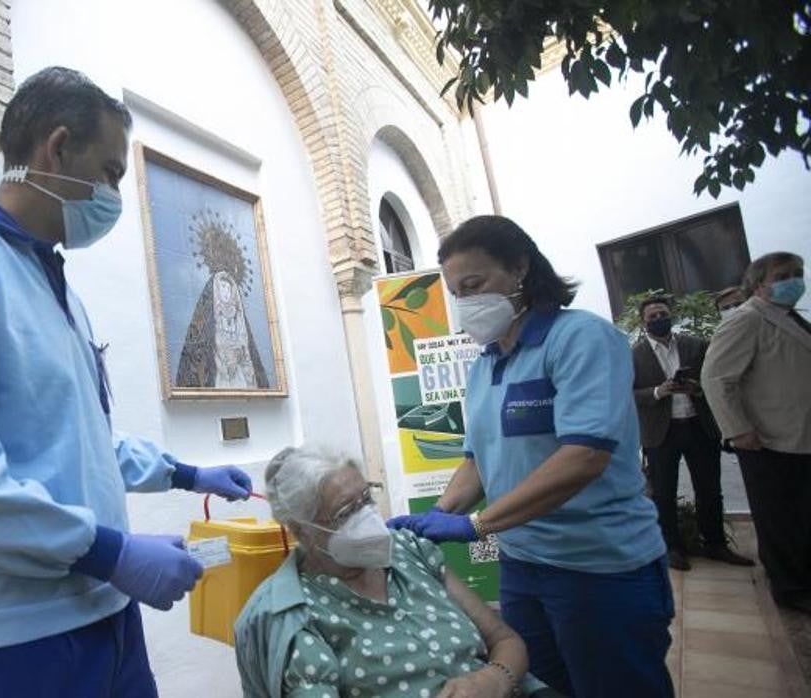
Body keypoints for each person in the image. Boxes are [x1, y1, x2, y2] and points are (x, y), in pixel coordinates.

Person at [0, 66, 254, 697]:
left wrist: (186, 475)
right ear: (56, 148)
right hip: (18, 635)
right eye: (109, 173)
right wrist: (108, 550)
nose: (114, 196)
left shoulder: (59, 291)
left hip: (106, 609)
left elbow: (78, 437)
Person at [388, 216, 674, 698]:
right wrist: (440, 513)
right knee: (541, 686)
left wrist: (476, 525)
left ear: (520, 267)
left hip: (599, 568)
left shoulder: (581, 339)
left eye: (474, 285)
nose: (466, 303)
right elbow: (478, 460)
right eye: (457, 294)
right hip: (522, 566)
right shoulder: (485, 367)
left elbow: (583, 456)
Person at [234, 447, 559, 698]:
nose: (367, 517)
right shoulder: (299, 614)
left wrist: (492, 678)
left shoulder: (409, 552)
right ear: (301, 530)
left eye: (367, 498)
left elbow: (505, 640)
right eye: (347, 511)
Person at [702, 252, 811, 613]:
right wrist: (739, 430)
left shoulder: (789, 317)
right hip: (768, 439)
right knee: (781, 518)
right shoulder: (746, 319)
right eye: (782, 275)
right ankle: (790, 589)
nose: (793, 280)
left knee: (801, 515)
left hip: (797, 434)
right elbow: (716, 379)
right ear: (759, 283)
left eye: (798, 273)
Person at [631, 296, 753, 570]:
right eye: (652, 316)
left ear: (670, 314)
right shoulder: (633, 355)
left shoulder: (695, 345)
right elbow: (628, 394)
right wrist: (657, 391)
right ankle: (672, 547)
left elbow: (715, 380)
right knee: (664, 492)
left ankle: (715, 544)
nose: (658, 319)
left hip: (699, 426)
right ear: (644, 322)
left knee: (709, 489)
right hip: (661, 433)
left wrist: (696, 389)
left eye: (662, 313)